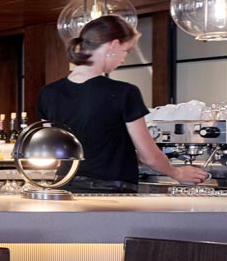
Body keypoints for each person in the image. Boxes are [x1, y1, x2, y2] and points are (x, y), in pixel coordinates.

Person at [36, 15, 210, 191]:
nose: (124, 59)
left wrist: (125, 154)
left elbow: (60, 147)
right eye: (127, 50)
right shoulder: (124, 92)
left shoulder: (48, 93)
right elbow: (148, 156)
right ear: (113, 45)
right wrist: (177, 173)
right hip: (110, 192)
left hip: (64, 188)